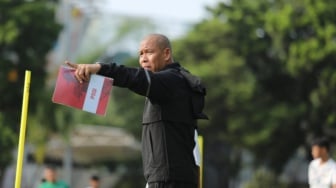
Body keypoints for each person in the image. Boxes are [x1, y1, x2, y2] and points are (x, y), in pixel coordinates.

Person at [66, 33, 208, 188]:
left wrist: (100, 68)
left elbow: (134, 77)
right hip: (173, 179)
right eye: (141, 54)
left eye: (149, 52)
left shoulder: (170, 81)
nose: (144, 59)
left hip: (167, 181)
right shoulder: (176, 81)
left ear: (166, 54)